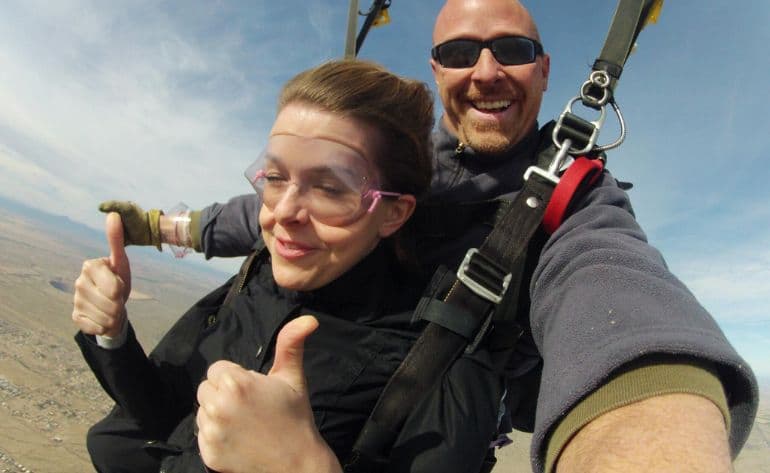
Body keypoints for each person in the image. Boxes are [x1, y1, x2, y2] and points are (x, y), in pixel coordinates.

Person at [100, 1, 758, 472]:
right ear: (436, 70)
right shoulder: (392, 160)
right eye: (459, 53)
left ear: (544, 70)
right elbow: (268, 210)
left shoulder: (575, 201)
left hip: (428, 418)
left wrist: (652, 410)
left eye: (513, 50)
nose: (486, 71)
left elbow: (619, 302)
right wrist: (157, 227)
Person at [73, 59, 491, 473]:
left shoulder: (436, 358)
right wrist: (113, 334)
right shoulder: (256, 281)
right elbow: (164, 419)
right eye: (274, 178)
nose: (284, 212)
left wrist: (304, 466)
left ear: (393, 214)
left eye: (329, 188)